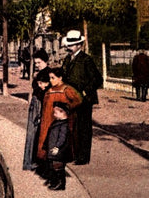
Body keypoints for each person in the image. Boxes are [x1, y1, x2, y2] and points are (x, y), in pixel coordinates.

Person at [60, 29, 102, 165]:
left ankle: (83, 157)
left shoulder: (86, 60)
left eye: (73, 44)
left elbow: (97, 80)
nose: (69, 46)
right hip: (71, 99)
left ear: (79, 45)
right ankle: (74, 154)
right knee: (73, 127)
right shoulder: (67, 59)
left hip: (84, 100)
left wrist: (84, 92)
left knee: (84, 128)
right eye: (69, 44)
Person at [36, 66, 81, 184]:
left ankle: (58, 178)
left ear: (60, 78)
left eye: (53, 78)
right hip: (48, 122)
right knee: (46, 147)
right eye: (50, 78)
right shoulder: (50, 91)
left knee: (58, 149)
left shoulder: (67, 89)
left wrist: (66, 109)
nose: (51, 80)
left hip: (60, 122)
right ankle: (50, 174)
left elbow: (78, 101)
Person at [22, 49, 51, 171]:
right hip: (36, 103)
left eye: (39, 63)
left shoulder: (48, 74)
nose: (37, 65)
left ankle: (32, 161)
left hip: (40, 104)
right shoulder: (41, 74)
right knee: (33, 132)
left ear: (45, 61)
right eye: (36, 63)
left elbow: (44, 90)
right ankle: (31, 161)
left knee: (35, 132)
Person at [44, 102, 72, 191]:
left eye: (56, 113)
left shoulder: (64, 125)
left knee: (58, 167)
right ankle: (54, 181)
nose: (54, 115)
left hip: (59, 151)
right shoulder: (58, 122)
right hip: (53, 149)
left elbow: (62, 138)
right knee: (53, 165)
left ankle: (60, 183)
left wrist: (57, 147)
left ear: (62, 113)